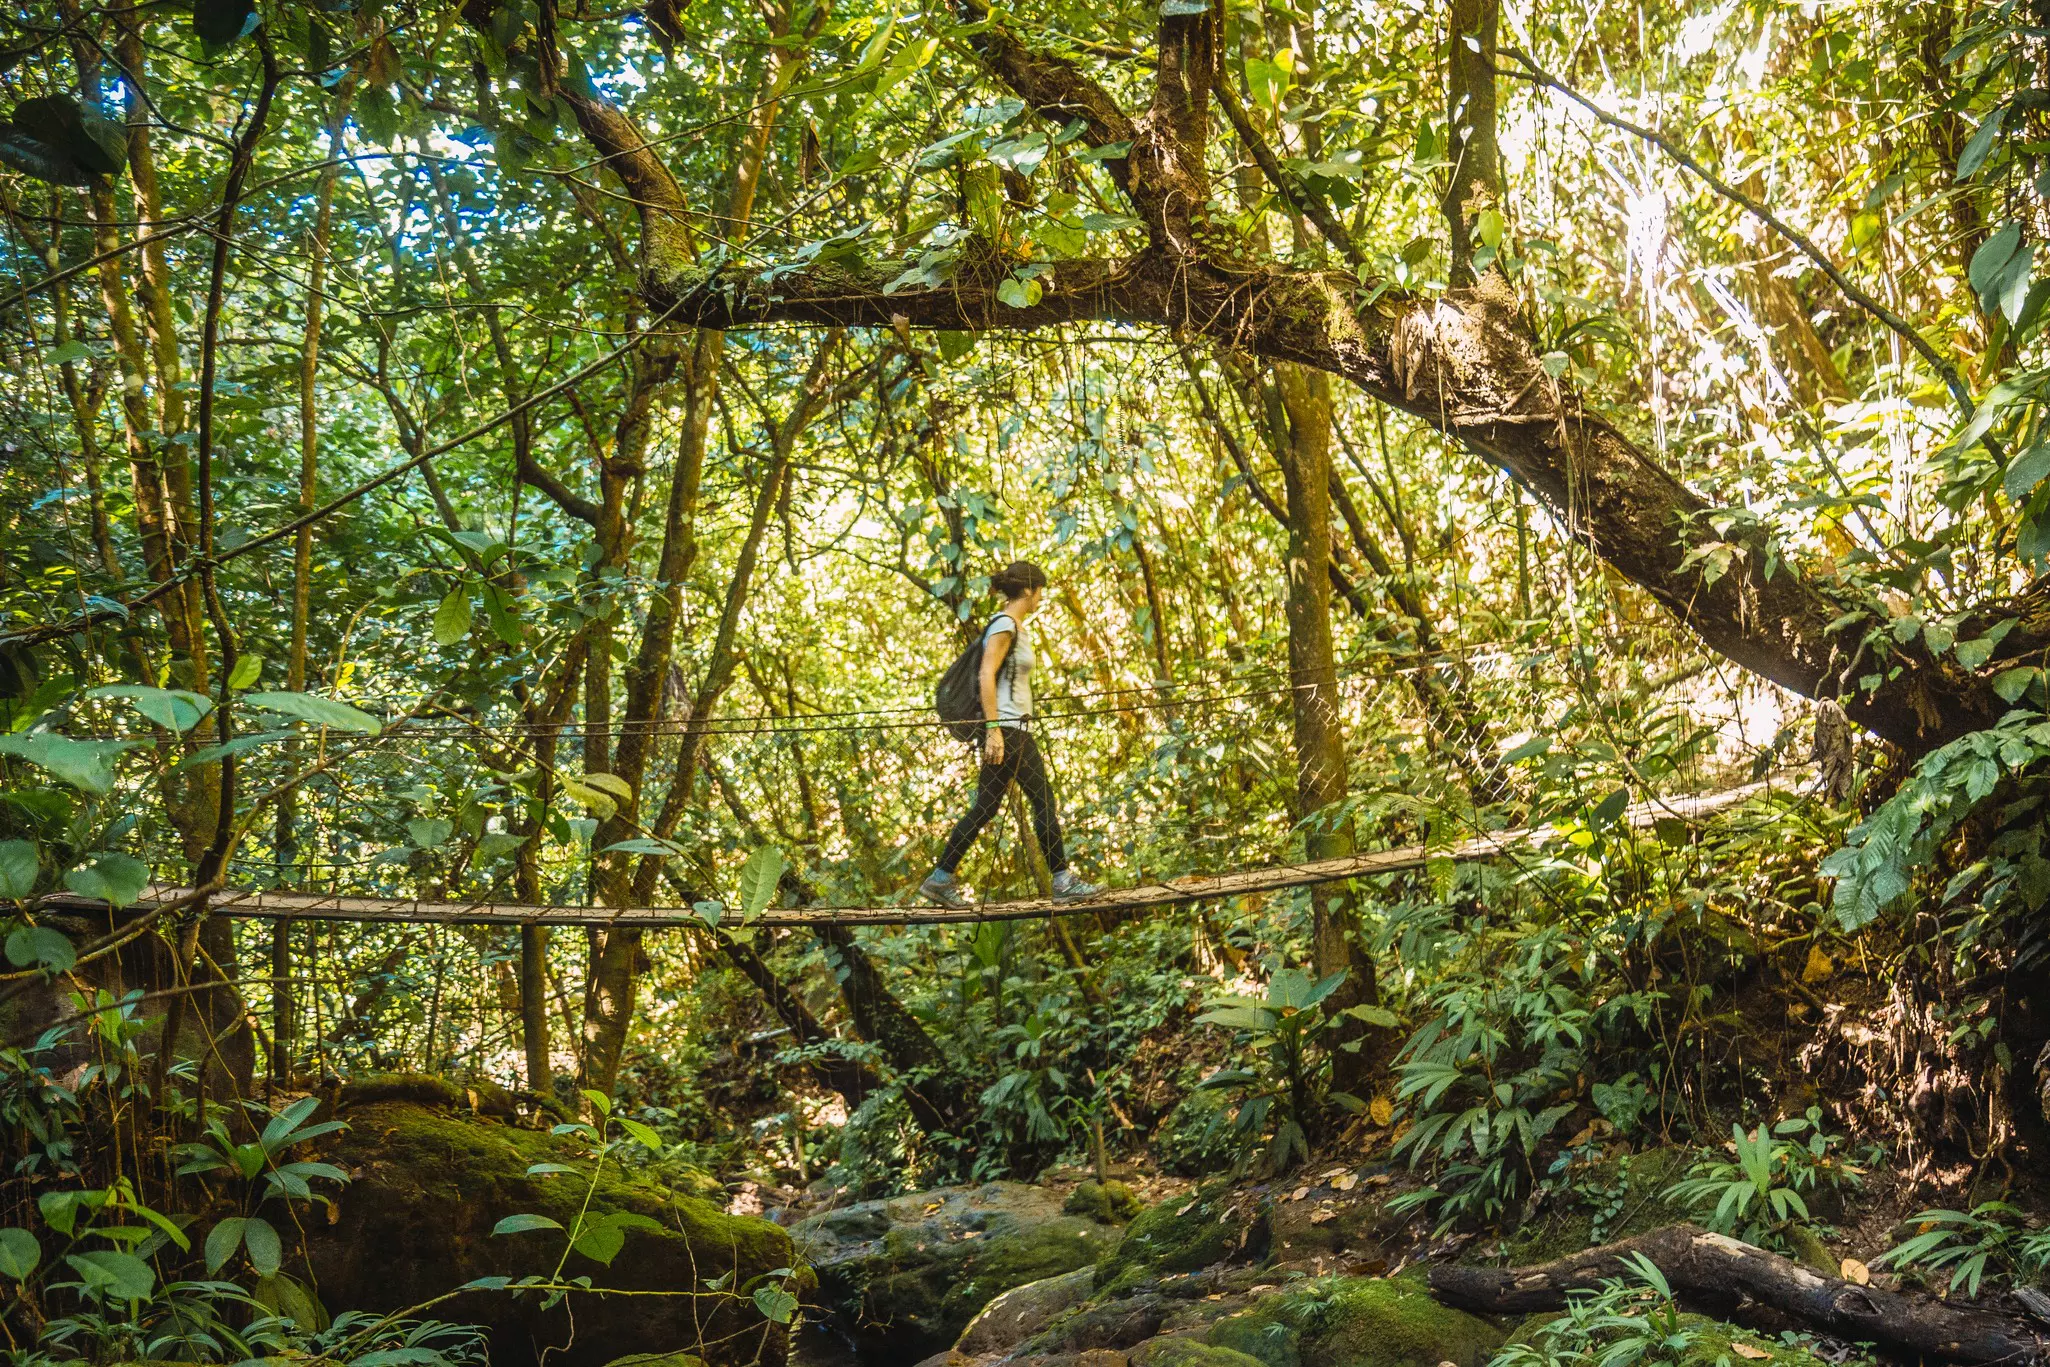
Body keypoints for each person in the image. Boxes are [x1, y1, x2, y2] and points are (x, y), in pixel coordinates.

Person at [920, 561, 1103, 908]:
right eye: (1040, 591)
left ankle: (941, 877)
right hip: (1008, 730)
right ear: (1030, 590)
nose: (1041, 598)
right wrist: (993, 731)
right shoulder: (1005, 625)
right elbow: (986, 675)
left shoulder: (1011, 624)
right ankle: (1062, 879)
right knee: (1044, 801)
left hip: (1008, 729)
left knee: (985, 807)